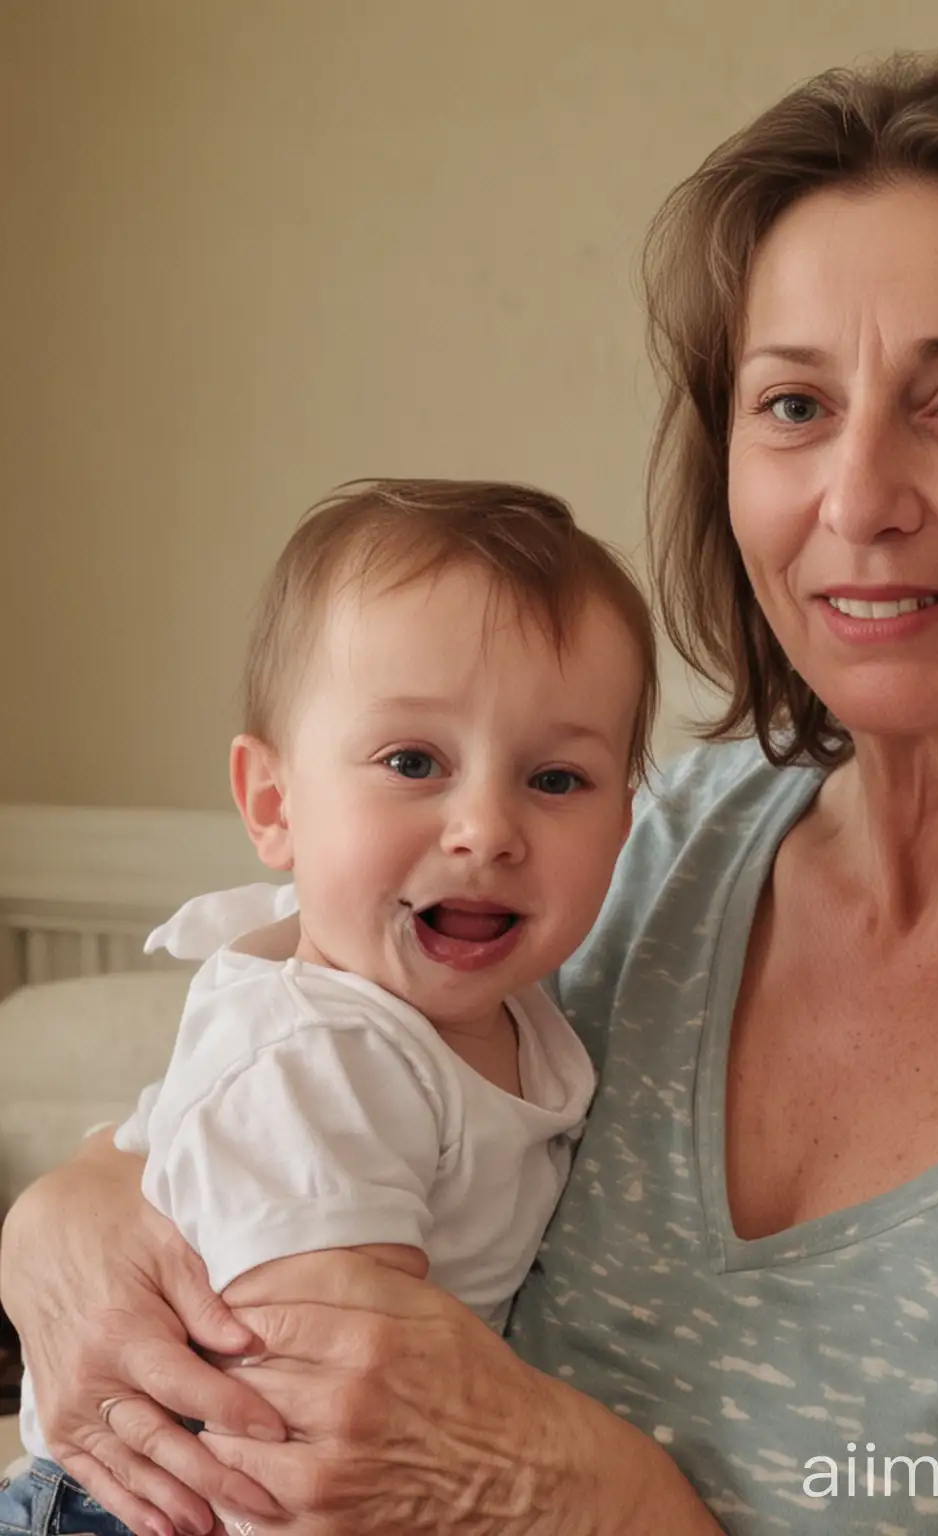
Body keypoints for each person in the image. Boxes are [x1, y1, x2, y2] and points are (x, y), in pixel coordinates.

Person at [4, 46, 938, 1536]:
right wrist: (62, 1222)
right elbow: (277, 1079)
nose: (858, 501)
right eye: (794, 407)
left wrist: (584, 1504)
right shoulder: (628, 861)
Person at [1, 479, 657, 1535]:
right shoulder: (318, 1056)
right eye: (413, 762)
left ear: (629, 821)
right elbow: (309, 1417)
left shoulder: (523, 1019)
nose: (485, 828)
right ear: (274, 804)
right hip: (148, 1508)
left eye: (557, 779)